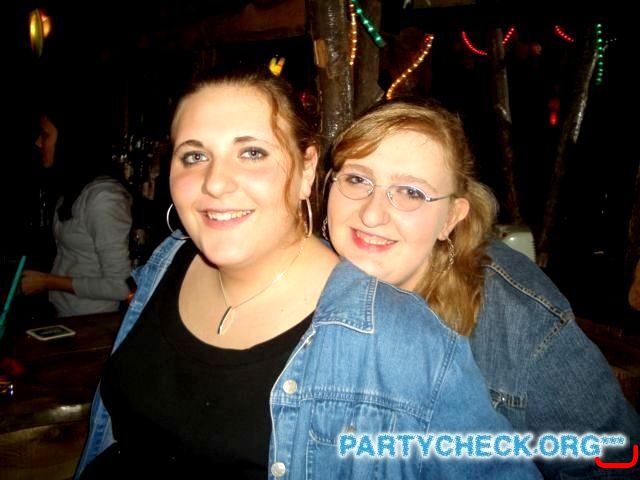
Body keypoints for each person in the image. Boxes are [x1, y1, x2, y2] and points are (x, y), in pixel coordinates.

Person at [73, 66, 540, 479]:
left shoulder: (405, 342)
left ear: (307, 169)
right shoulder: (167, 260)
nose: (214, 183)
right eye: (194, 156)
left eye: (252, 153)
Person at [324, 97, 640, 479]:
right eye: (357, 179)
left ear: (451, 218)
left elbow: (615, 462)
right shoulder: (293, 290)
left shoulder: (521, 320)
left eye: (410, 192)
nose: (372, 214)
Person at [19, 93, 133, 318]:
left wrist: (47, 282)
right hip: (64, 313)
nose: (38, 142)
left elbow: (120, 286)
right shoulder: (74, 187)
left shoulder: (103, 198)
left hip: (92, 321)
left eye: (45, 134)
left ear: (69, 140)